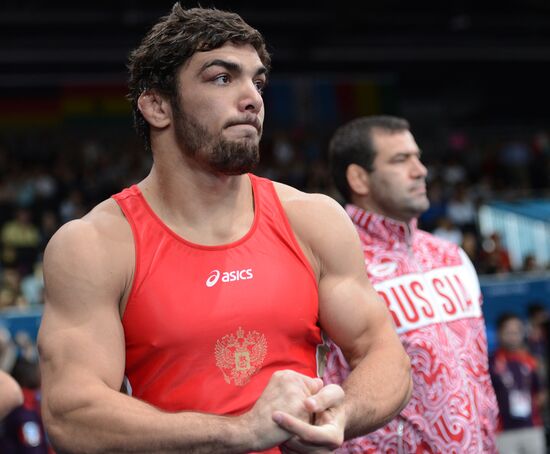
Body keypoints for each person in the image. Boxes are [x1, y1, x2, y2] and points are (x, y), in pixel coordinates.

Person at [37, 5, 412, 454]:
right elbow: (71, 414)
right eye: (221, 77)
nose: (252, 97)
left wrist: (344, 414)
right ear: (158, 105)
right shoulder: (96, 245)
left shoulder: (313, 219)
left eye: (257, 81)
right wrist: (237, 432)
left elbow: (384, 353)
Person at [325, 115, 498, 452]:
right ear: (359, 178)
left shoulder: (452, 256)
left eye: (417, 157)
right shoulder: (334, 262)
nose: (421, 170)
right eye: (401, 160)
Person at [489, 313, 546, 454]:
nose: (513, 336)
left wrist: (537, 403)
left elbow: (541, 392)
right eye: (508, 331)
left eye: (517, 331)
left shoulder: (532, 361)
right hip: (503, 431)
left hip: (532, 427)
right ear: (499, 333)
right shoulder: (490, 363)